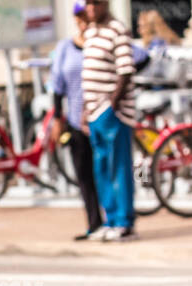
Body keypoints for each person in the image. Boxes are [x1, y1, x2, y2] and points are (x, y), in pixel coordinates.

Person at [82, 0, 138, 241]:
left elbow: (125, 71)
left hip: (111, 111)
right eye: (88, 4)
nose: (91, 8)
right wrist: (87, 108)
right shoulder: (91, 32)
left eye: (96, 3)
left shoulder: (117, 29)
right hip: (94, 111)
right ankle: (110, 219)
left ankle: (124, 222)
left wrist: (111, 105)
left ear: (105, 4)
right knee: (101, 167)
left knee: (119, 166)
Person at [50, 3, 104, 240]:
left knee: (106, 171)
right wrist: (56, 119)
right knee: (84, 174)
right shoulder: (64, 47)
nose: (81, 20)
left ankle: (116, 221)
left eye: (85, 15)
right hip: (75, 119)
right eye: (78, 16)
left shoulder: (102, 40)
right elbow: (57, 86)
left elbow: (138, 58)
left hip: (102, 117)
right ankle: (94, 224)